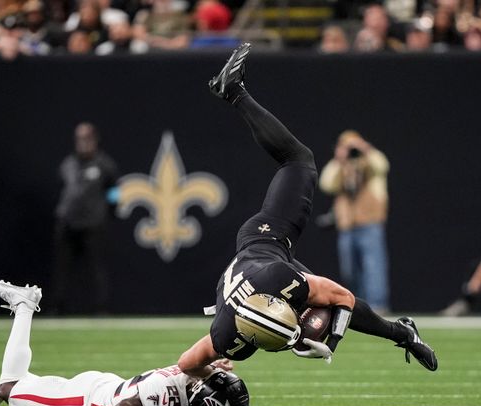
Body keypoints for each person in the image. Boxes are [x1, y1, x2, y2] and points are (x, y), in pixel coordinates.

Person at [177, 43, 438, 379]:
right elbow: (187, 364)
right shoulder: (227, 336)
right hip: (257, 265)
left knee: (298, 160)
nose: (299, 317)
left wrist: (333, 340)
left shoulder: (264, 297)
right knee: (331, 301)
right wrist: (212, 373)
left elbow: (340, 296)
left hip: (265, 241)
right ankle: (403, 333)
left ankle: (235, 92)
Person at [0, 280, 268, 406]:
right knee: (9, 386)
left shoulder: (196, 378)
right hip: (89, 400)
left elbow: (206, 393)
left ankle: (23, 308)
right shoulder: (166, 390)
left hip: (111, 385)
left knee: (18, 380)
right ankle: (24, 305)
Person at [319, 130, 391, 313]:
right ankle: (358, 306)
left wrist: (364, 149)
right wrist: (338, 160)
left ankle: (377, 306)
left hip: (370, 224)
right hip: (347, 226)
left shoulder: (370, 164)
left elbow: (382, 165)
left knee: (373, 267)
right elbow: (326, 183)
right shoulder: (342, 167)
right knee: (349, 270)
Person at [52, 122, 118, 314]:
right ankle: (58, 307)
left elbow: (115, 193)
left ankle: (100, 308)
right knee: (62, 269)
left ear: (95, 139)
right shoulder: (68, 164)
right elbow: (63, 190)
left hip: (92, 225)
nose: (83, 143)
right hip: (68, 223)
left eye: (87, 138)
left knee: (96, 269)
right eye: (80, 139)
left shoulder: (105, 164)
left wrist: (107, 214)